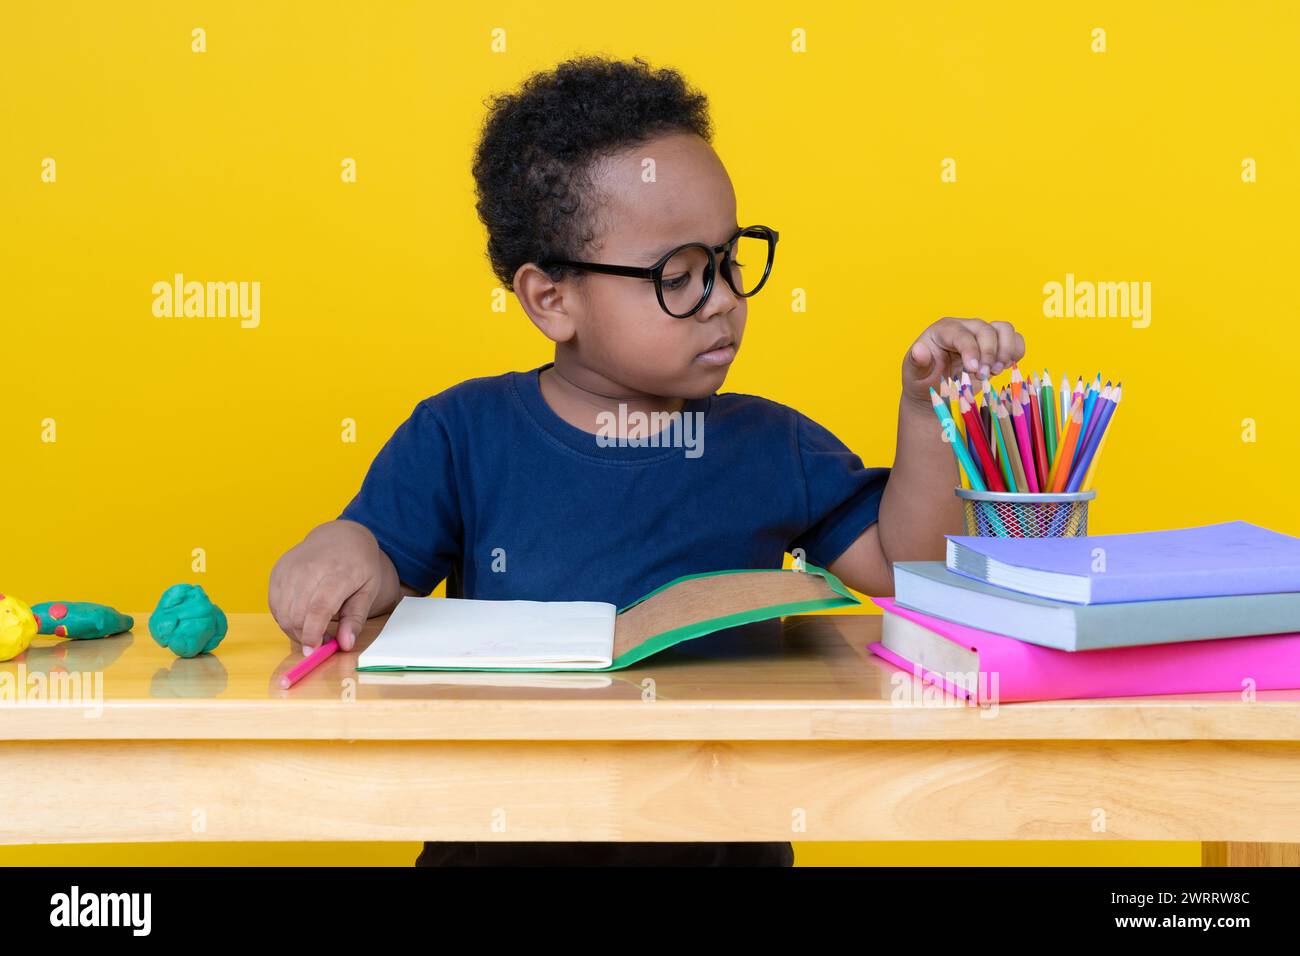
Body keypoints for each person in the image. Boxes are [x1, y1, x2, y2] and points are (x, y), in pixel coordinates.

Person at [268, 55, 1025, 866]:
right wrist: (338, 548)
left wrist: (929, 415)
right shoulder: (462, 434)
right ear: (551, 299)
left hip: (715, 838)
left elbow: (905, 563)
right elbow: (378, 573)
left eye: (731, 261)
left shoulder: (771, 444)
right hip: (504, 839)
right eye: (680, 277)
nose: (726, 299)